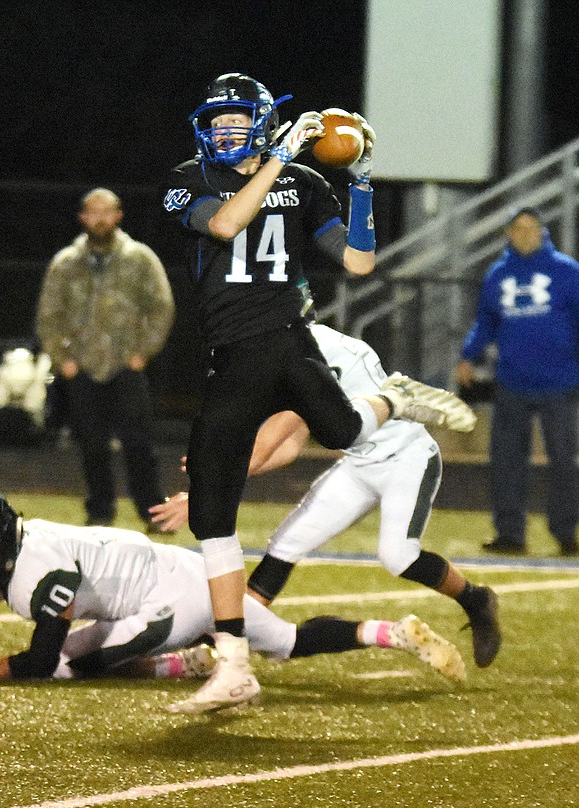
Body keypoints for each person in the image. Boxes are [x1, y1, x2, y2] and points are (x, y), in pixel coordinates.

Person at [160, 72, 475, 712]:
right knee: (211, 514)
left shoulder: (305, 183)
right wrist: (278, 157)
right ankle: (235, 667)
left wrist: (359, 179)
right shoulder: (184, 180)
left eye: (235, 120)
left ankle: (397, 398)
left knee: (340, 431)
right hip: (229, 352)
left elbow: (358, 263)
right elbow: (224, 224)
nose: (223, 131)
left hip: (286, 335)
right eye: (215, 121)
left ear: (261, 119)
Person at [0, 489, 466, 687]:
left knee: (82, 664)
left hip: (172, 597)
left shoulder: (40, 571)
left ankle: (182, 659)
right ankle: (394, 632)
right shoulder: (20, 552)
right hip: (177, 573)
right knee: (287, 642)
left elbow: (38, 660)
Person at [150, 323, 500, 670]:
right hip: (360, 462)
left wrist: (201, 493)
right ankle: (226, 642)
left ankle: (476, 599)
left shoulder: (296, 353)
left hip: (407, 457)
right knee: (286, 543)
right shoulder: (303, 344)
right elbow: (288, 447)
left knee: (399, 557)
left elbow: (264, 445)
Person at [36, 188, 175, 531]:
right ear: (83, 217)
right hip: (82, 368)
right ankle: (99, 512)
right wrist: (62, 358)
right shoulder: (66, 262)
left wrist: (143, 353)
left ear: (118, 215)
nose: (99, 218)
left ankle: (153, 513)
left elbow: (162, 306)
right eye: (92, 212)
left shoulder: (139, 258)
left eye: (106, 211)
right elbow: (48, 315)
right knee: (91, 445)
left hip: (127, 366)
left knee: (139, 445)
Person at [455, 207, 579, 557]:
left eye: (531, 229)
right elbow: (486, 321)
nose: (525, 235)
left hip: (560, 380)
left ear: (543, 231)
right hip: (512, 380)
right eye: (519, 229)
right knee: (507, 461)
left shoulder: (567, 272)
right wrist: (469, 355)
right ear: (509, 233)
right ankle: (510, 534)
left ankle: (567, 534)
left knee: (564, 461)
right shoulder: (498, 274)